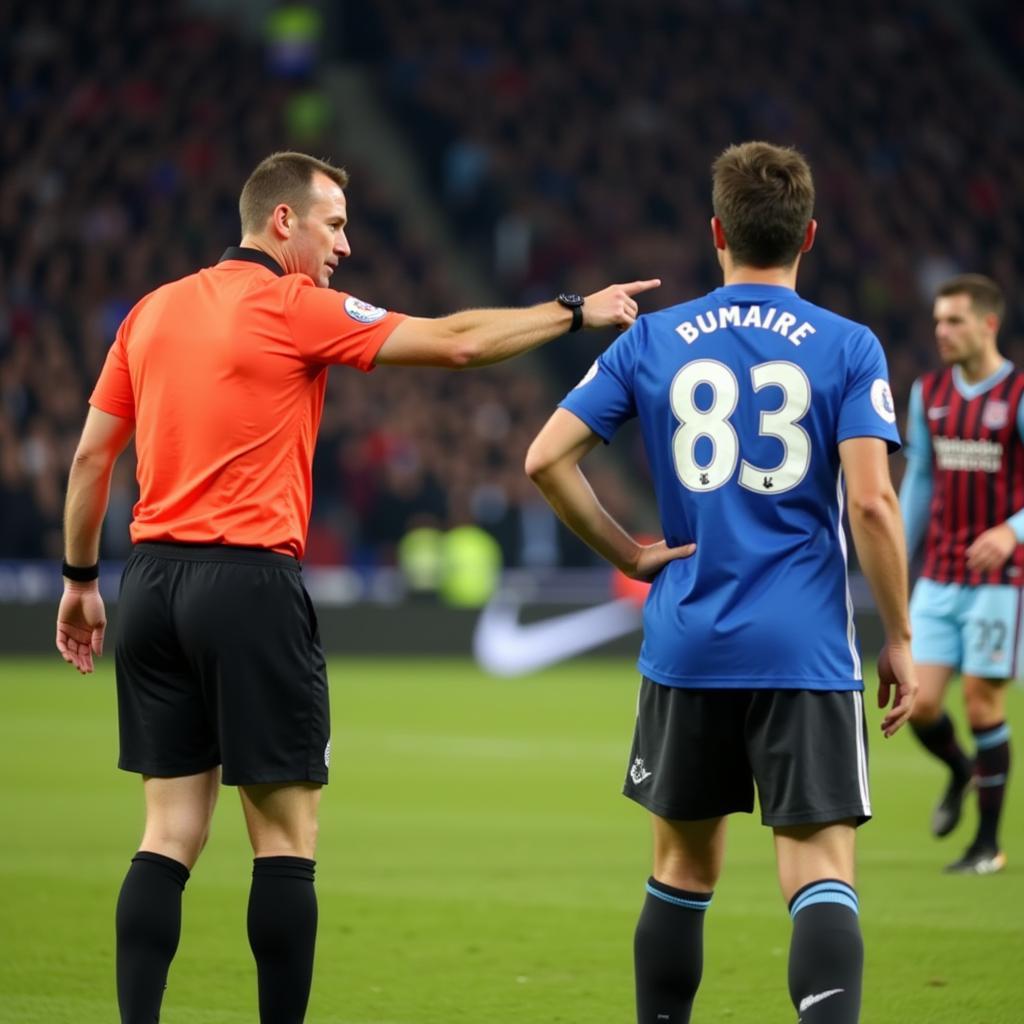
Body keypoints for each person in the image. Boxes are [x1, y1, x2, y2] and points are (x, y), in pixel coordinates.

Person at [55, 150, 658, 1024]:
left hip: (149, 583)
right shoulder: (294, 305)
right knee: (286, 844)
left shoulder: (149, 312)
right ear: (283, 222)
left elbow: (88, 459)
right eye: (334, 223)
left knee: (168, 835)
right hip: (250, 582)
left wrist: (80, 580)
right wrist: (574, 313)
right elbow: (456, 343)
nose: (346, 243)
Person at [525, 140, 917, 1024]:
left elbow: (546, 458)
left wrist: (629, 555)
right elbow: (874, 507)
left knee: (681, 872)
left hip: (689, 641)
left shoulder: (653, 339)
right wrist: (897, 633)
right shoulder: (851, 347)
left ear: (716, 233)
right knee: (818, 873)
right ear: (808, 236)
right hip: (804, 649)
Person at [900, 273, 1017, 875]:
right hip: (940, 574)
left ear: (987, 324)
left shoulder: (1019, 394)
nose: (941, 331)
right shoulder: (930, 393)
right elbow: (921, 477)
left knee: (980, 704)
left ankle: (986, 846)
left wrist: (1011, 531)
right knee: (918, 704)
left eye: (954, 321)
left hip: (1002, 582)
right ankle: (962, 772)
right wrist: (897, 545)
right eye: (938, 320)